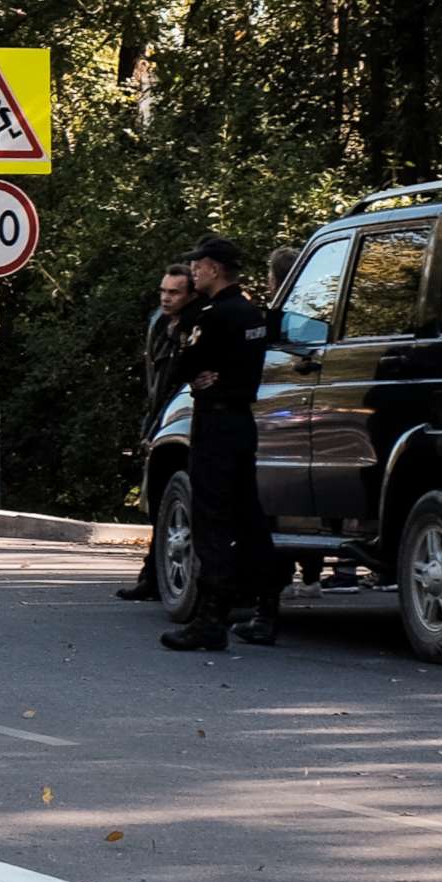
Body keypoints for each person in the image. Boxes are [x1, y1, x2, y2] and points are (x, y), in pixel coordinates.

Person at [159, 235, 278, 651]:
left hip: (215, 423)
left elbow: (183, 365)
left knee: (211, 519)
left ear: (213, 268)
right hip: (242, 421)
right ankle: (267, 608)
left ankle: (211, 618)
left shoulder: (213, 314)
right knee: (248, 515)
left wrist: (196, 372)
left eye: (199, 264)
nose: (194, 270)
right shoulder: (251, 313)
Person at [117, 263, 198, 602]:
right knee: (160, 500)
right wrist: (150, 423)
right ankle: (152, 573)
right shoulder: (160, 324)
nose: (166, 298)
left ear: (190, 294)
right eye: (163, 291)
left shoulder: (197, 325)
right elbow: (155, 380)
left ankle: (159, 574)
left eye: (174, 292)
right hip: (163, 416)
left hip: (186, 418)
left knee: (180, 498)